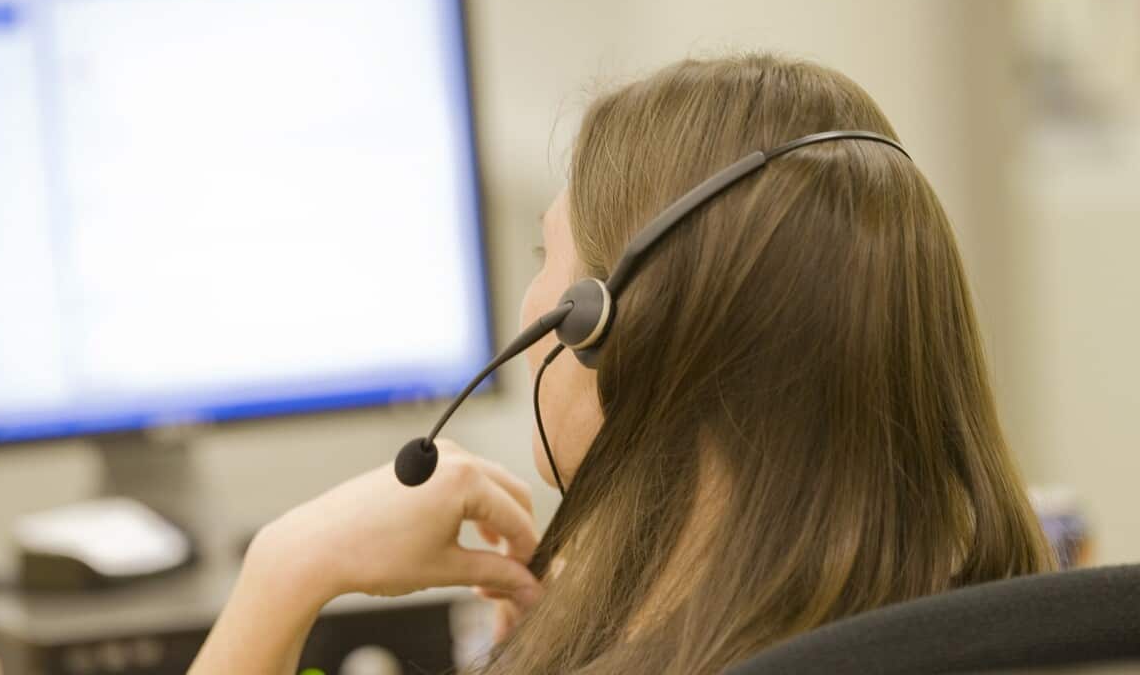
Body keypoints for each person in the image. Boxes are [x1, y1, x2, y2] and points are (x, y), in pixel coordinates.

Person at [189, 53, 1052, 674]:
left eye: (546, 260)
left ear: (600, 324)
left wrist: (284, 571)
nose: (530, 308)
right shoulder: (1009, 626)